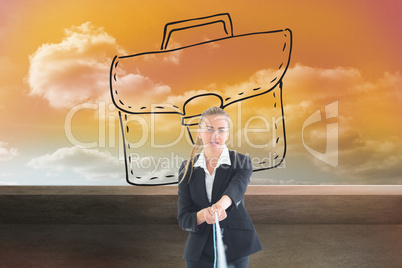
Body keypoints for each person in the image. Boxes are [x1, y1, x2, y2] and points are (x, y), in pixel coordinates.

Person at [178, 106, 262, 268]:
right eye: (209, 129)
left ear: (227, 134)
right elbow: (183, 218)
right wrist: (202, 215)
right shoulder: (186, 168)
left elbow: (236, 189)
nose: (215, 136)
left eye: (221, 130)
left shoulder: (242, 161)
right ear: (199, 133)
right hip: (198, 251)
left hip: (235, 247)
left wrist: (219, 207)